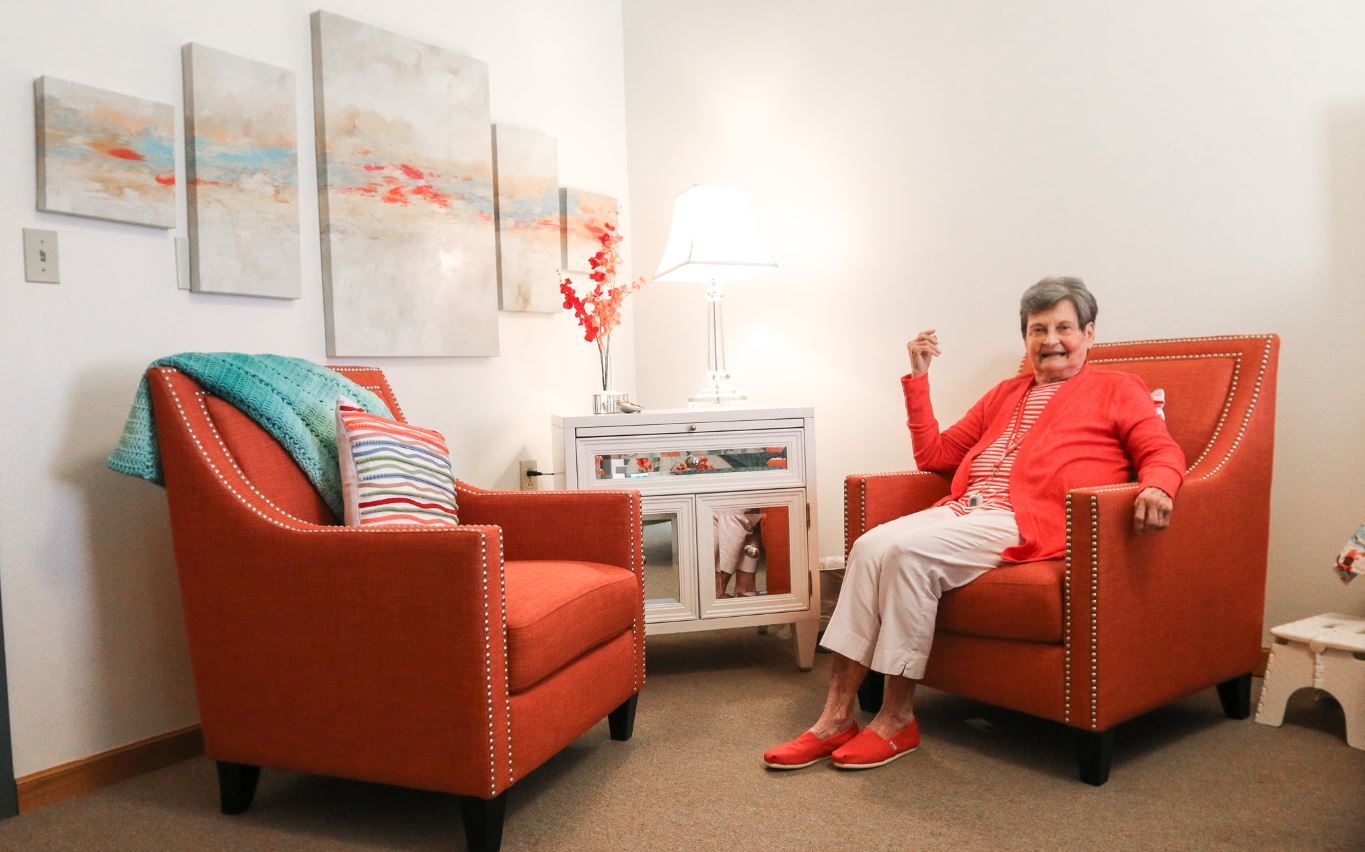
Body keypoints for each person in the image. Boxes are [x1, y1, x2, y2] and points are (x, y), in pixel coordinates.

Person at [763, 276, 1185, 771]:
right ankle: (835, 718)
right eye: (1037, 329)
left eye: (1064, 327)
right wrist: (918, 379)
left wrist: (1159, 485)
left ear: (1090, 334)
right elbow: (934, 454)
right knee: (870, 546)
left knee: (905, 554)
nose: (1050, 340)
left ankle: (897, 718)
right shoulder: (1005, 393)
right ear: (1025, 339)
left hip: (1027, 517)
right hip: (967, 508)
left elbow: (1160, 449)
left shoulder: (1117, 389)